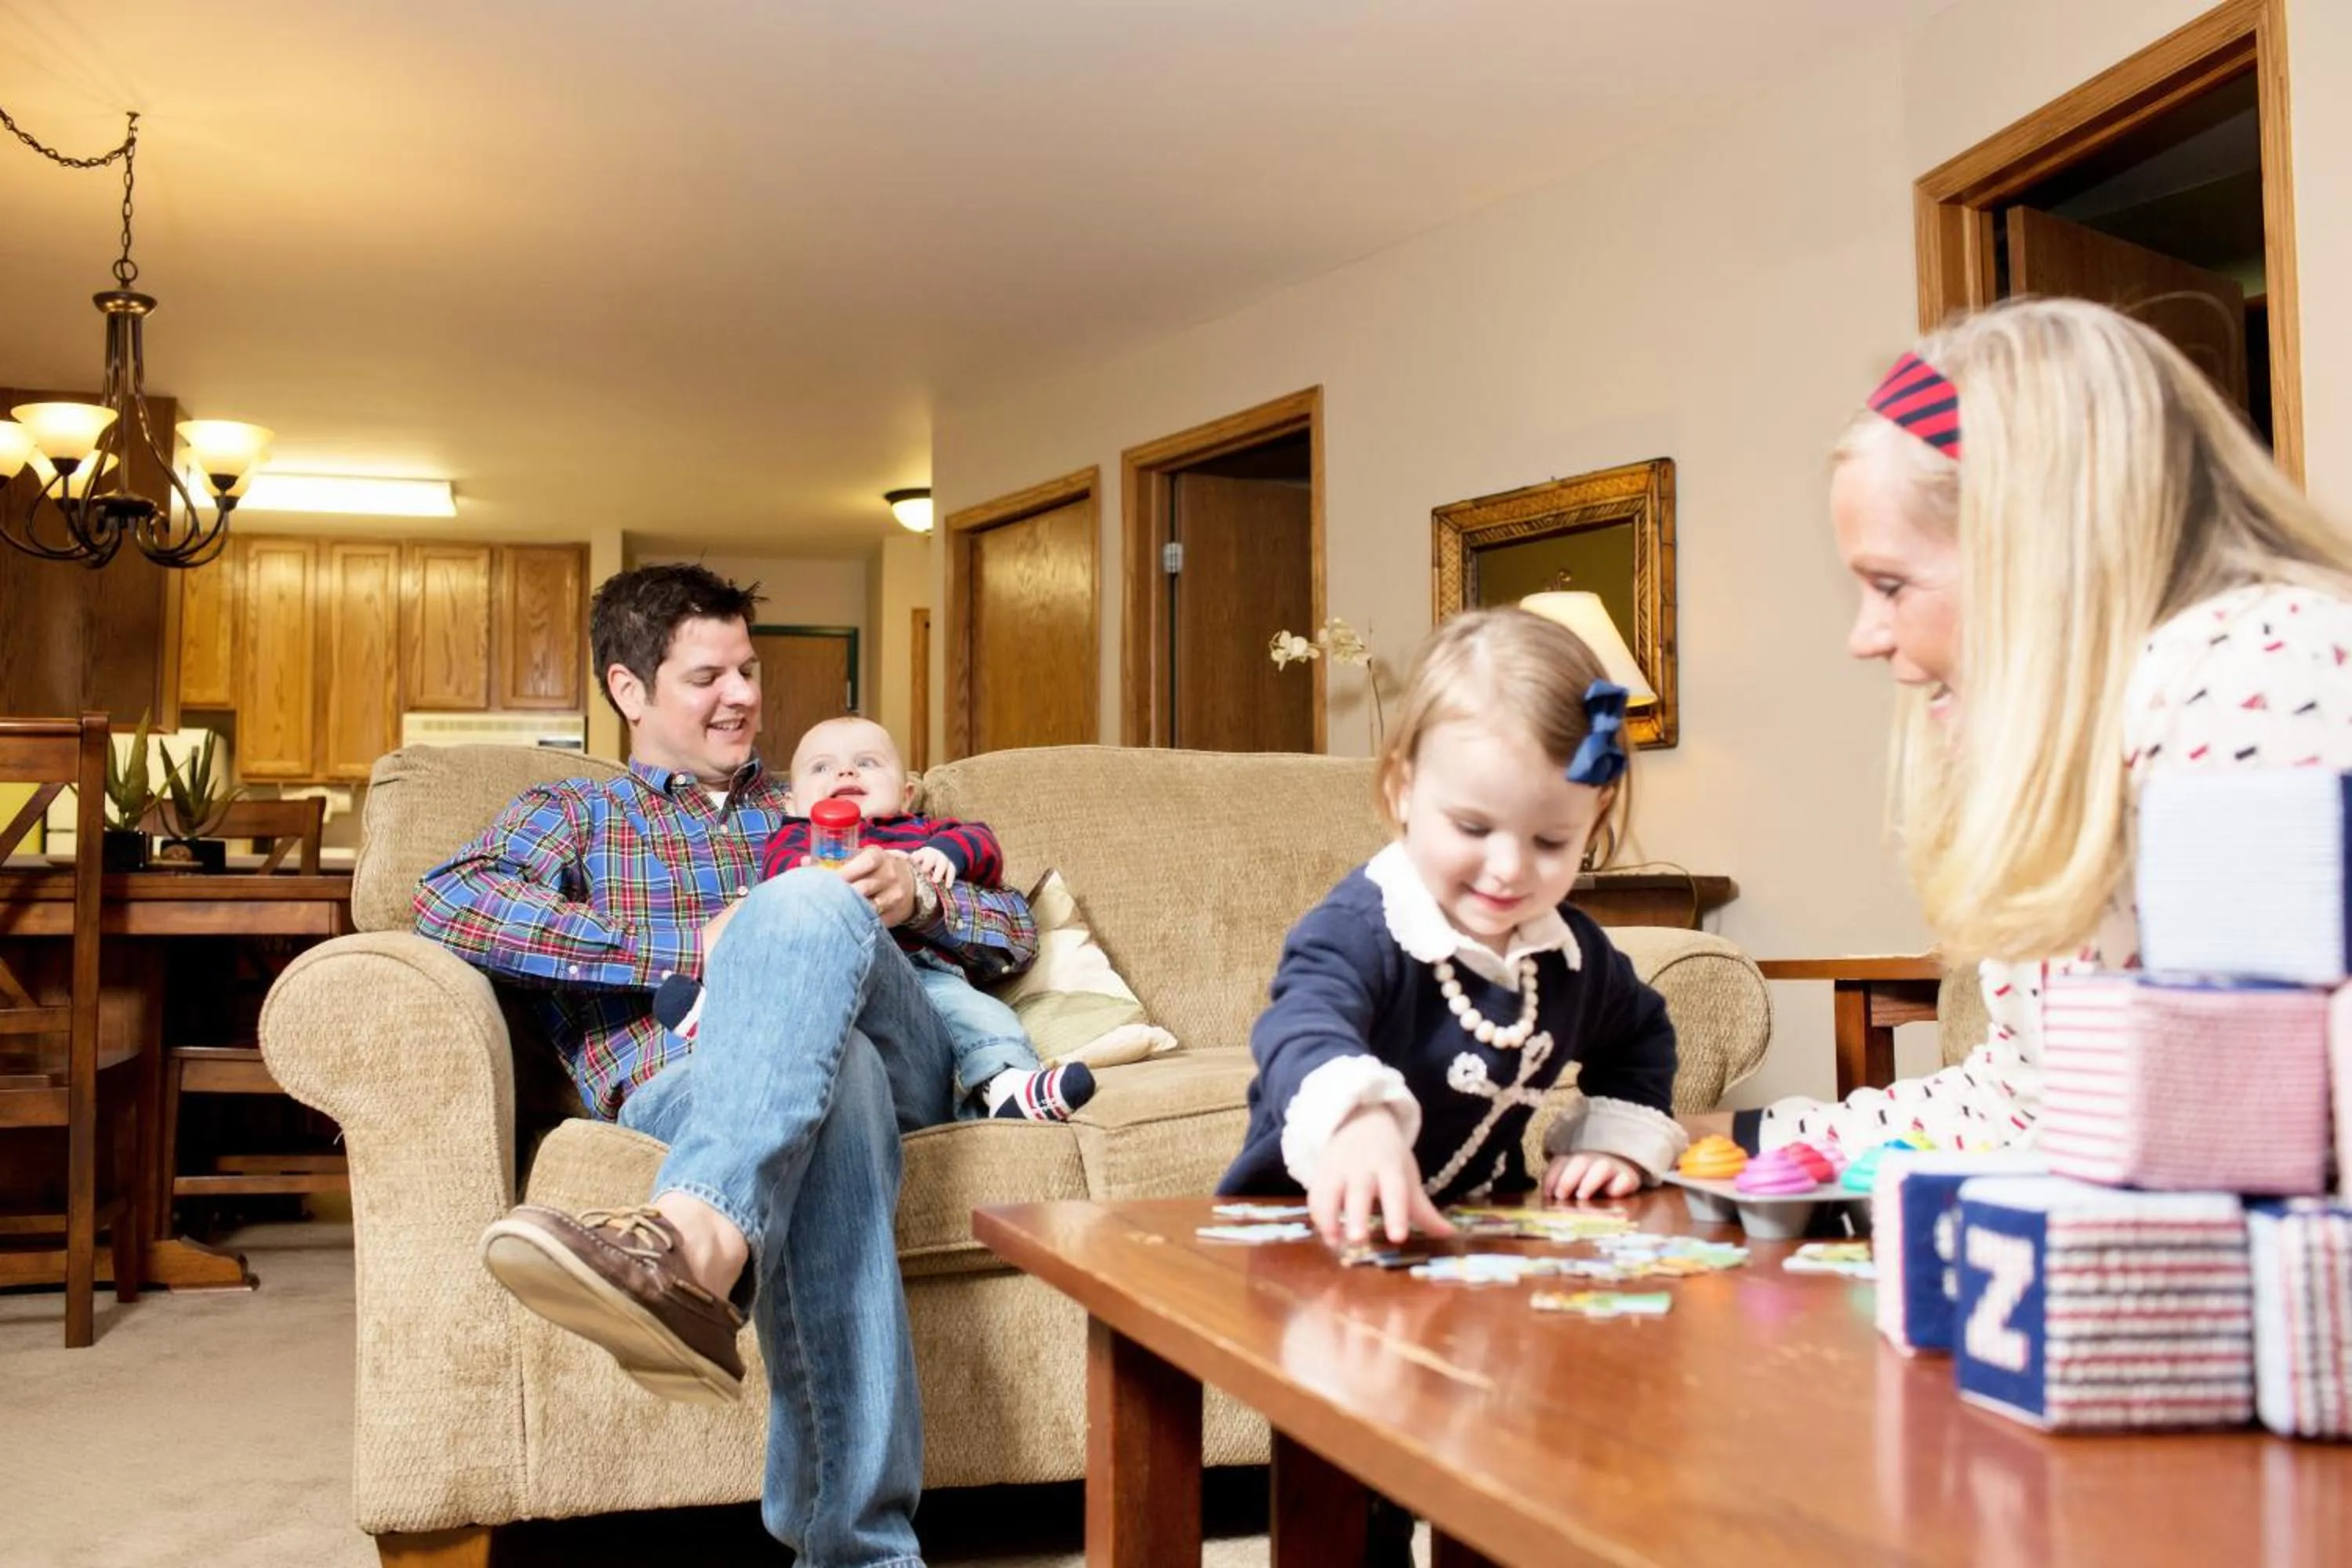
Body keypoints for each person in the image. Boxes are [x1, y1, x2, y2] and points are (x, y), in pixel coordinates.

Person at [413, 562, 1040, 1566]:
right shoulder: (575, 813)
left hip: (901, 1047)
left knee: (806, 901)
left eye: (748, 670)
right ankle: (859, 1551)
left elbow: (1014, 928)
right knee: (839, 1092)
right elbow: (451, 901)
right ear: (629, 689)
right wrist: (690, 948)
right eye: (709, 676)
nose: (744, 696)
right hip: (686, 1076)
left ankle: (697, 1237)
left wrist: (917, 902)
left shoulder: (817, 801)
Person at [1731, 296, 2352, 1155]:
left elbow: (2250, 1138)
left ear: (2040, 546)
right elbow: (2025, 1104)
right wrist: (1746, 1134)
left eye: (1891, 584)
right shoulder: (2094, 748)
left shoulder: (2259, 669)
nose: (1865, 637)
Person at [1218, 605, 1687, 1247]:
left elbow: (1640, 1033)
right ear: (1403, 788)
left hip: (1472, 1238)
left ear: (1595, 816)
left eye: (1551, 841)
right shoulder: (1363, 925)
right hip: (1307, 1235)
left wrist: (1616, 1143)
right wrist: (1359, 1121)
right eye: (1473, 828)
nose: (1508, 869)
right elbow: (1299, 1023)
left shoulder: (1573, 956)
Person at [654, 713, 1095, 1122]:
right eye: (821, 768)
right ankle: (728, 1020)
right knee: (775, 946)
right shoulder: (793, 839)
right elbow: (779, 882)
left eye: (867, 762)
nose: (845, 773)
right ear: (792, 803)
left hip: (920, 976)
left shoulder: (922, 831)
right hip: (819, 973)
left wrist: (944, 858)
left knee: (973, 1010)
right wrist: (808, 883)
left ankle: (1005, 1081)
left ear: (905, 793)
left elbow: (982, 844)